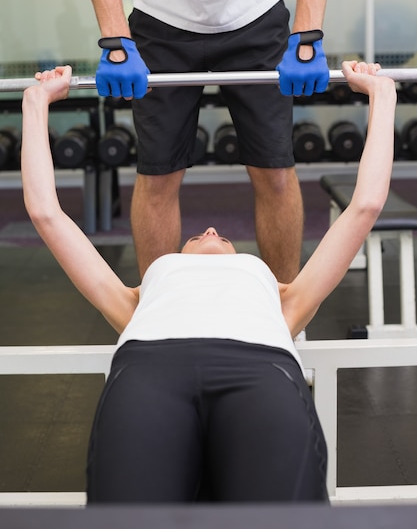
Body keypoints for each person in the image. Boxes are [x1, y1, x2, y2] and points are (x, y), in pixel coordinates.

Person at [21, 60, 397, 503]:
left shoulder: (285, 297)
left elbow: (366, 206)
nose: (212, 231)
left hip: (258, 371)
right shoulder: (138, 300)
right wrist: (35, 101)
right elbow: (47, 213)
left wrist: (382, 94)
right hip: (150, 370)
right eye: (198, 235)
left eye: (209, 234)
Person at [82, 0, 332, 284]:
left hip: (254, 11)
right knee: (158, 176)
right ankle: (157, 313)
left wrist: (308, 32)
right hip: (161, 18)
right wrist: (115, 38)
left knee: (275, 172)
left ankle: (286, 315)